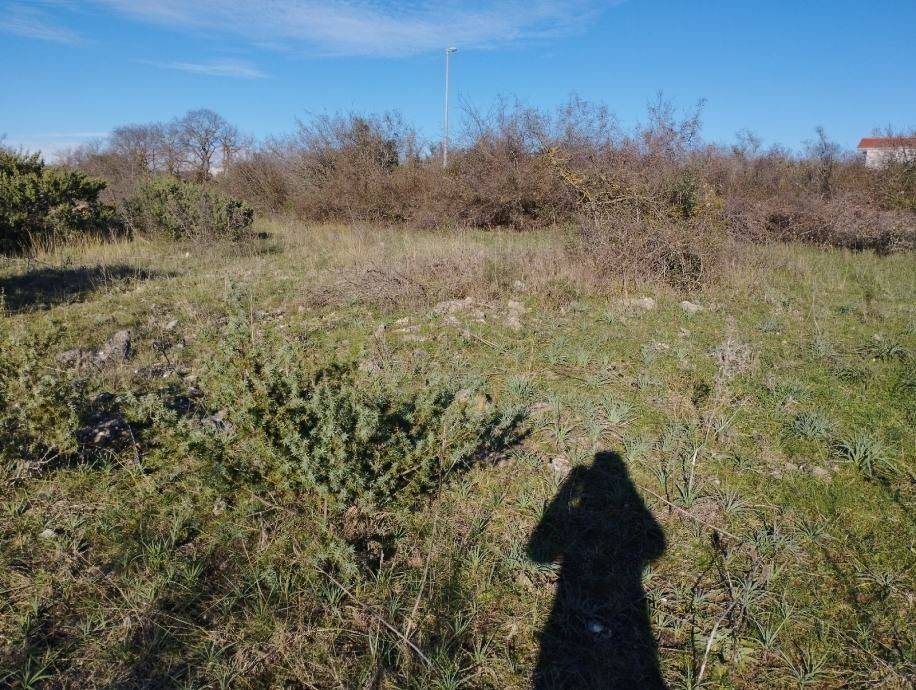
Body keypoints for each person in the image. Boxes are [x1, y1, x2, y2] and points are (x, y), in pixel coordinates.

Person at [528, 451, 667, 689]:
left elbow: (538, 553)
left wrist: (567, 491)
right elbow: (656, 546)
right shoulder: (629, 503)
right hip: (626, 602)